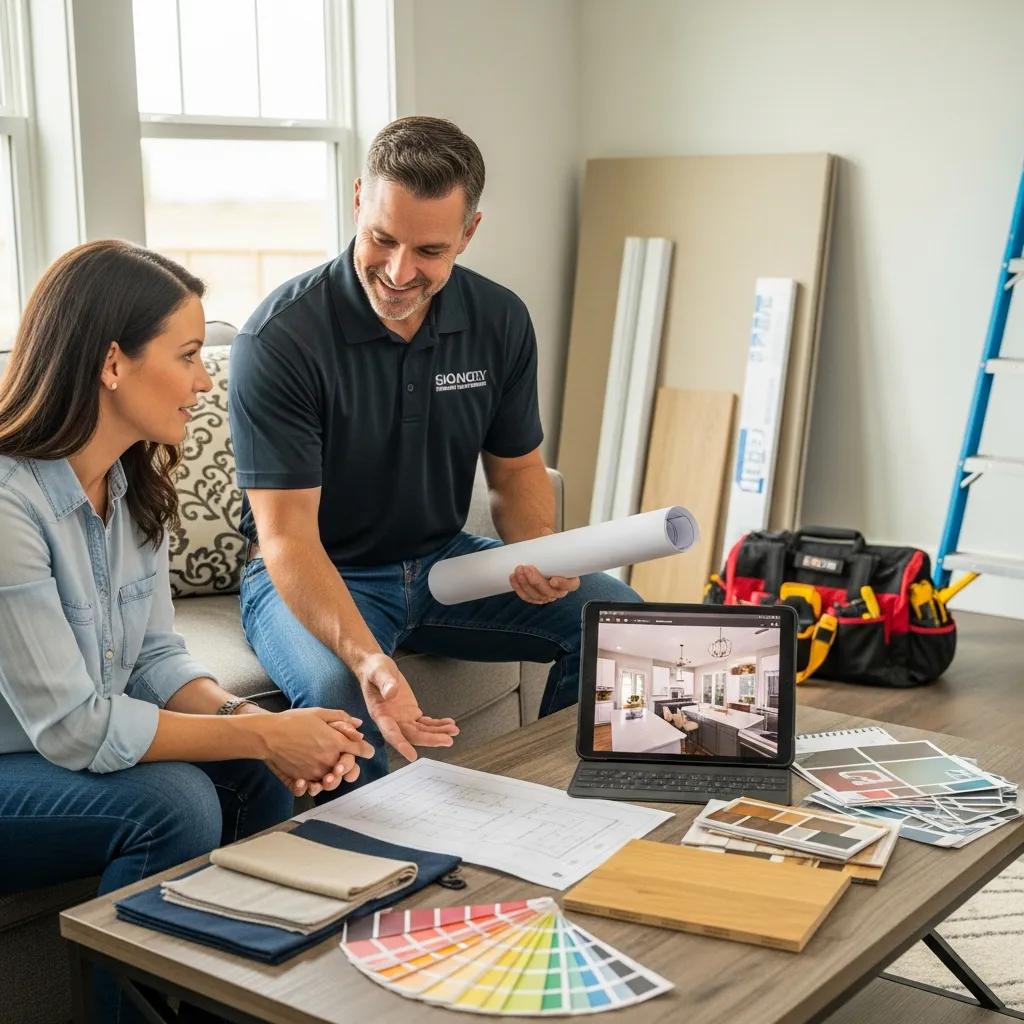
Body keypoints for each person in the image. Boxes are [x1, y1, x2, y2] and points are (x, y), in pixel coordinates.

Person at [0, 240, 374, 1022]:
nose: (206, 381)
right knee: (173, 803)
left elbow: (158, 658)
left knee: (257, 774)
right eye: (191, 355)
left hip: (49, 750)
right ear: (112, 364)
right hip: (17, 761)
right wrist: (264, 738)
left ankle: (229, 1006)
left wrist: (261, 725)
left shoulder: (132, 479)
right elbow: (74, 728)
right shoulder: (9, 507)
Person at [229, 116, 641, 793]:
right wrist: (368, 660)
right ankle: (388, 877)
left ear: (469, 233)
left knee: (617, 621)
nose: (397, 272)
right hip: (319, 567)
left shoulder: (498, 320)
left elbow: (515, 472)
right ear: (359, 199)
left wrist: (534, 549)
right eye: (381, 239)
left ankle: (567, 813)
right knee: (344, 696)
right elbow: (287, 538)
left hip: (445, 562)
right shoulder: (281, 339)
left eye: (427, 251)